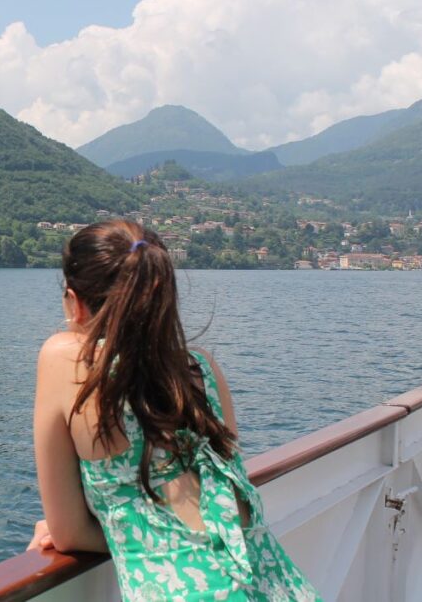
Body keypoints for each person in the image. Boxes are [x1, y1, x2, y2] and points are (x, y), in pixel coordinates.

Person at [28, 219, 321, 601]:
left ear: (74, 301)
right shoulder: (203, 372)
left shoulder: (63, 358)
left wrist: (121, 524)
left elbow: (67, 534)